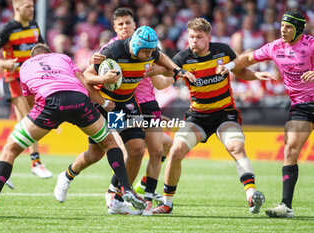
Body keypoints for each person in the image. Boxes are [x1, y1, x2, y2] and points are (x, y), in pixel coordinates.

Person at [0, 44, 146, 214]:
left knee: (11, 148)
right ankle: (126, 188)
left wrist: (47, 121)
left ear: (33, 56)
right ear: (49, 53)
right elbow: (84, 82)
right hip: (79, 100)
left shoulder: (26, 66)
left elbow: (31, 101)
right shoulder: (62, 57)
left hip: (50, 104)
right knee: (109, 143)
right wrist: (105, 103)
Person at [54, 25, 195, 215]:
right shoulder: (113, 51)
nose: (148, 55)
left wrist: (176, 70)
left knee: (137, 149)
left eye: (151, 51)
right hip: (104, 105)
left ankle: (117, 199)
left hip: (126, 106)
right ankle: (68, 175)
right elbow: (86, 77)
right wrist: (104, 80)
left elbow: (166, 66)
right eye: (144, 51)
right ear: (136, 45)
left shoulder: (151, 52)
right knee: (95, 154)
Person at [151, 17, 268, 215]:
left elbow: (240, 71)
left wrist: (256, 75)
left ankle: (251, 195)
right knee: (176, 150)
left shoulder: (223, 51)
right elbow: (163, 84)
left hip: (225, 114)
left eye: (198, 37)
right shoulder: (181, 59)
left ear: (208, 38)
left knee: (236, 147)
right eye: (191, 37)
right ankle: (167, 203)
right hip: (198, 117)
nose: (194, 41)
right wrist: (152, 74)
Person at [217, 10, 314, 218]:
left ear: (299, 28)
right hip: (302, 106)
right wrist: (229, 66)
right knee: (290, 150)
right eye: (282, 26)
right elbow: (248, 58)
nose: (283, 30)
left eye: (288, 27)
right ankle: (286, 206)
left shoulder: (311, 44)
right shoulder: (275, 47)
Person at [91, 7, 173, 212]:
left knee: (163, 146)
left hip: (147, 105)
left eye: (128, 23)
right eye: (120, 24)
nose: (125, 27)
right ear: (114, 27)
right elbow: (95, 78)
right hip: (123, 105)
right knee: (123, 148)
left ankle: (140, 188)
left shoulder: (147, 45)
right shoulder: (111, 49)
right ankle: (117, 191)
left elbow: (160, 82)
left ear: (135, 25)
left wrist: (169, 71)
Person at [0, 0, 52, 179]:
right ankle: (35, 162)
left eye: (32, 6)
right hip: (14, 80)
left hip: (31, 80)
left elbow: (42, 49)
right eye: (28, 6)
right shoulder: (8, 29)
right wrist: (3, 63)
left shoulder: (34, 26)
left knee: (23, 124)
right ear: (17, 7)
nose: (32, 10)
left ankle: (1, 166)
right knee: (32, 118)